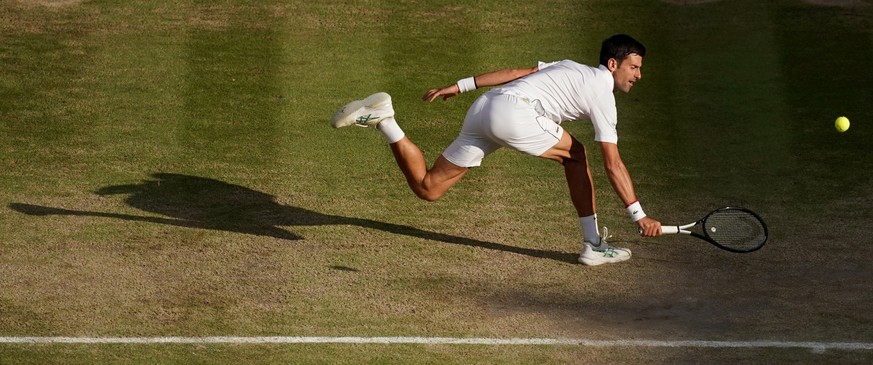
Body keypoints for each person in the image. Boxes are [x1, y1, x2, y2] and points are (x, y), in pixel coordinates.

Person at [331, 34, 662, 266]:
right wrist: (639, 214)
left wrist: (460, 86)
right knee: (576, 155)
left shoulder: (568, 65)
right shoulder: (602, 91)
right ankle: (593, 245)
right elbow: (612, 163)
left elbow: (517, 73)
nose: (639, 75)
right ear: (613, 63)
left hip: (485, 107)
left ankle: (385, 121)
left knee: (428, 187)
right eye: (634, 67)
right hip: (515, 114)